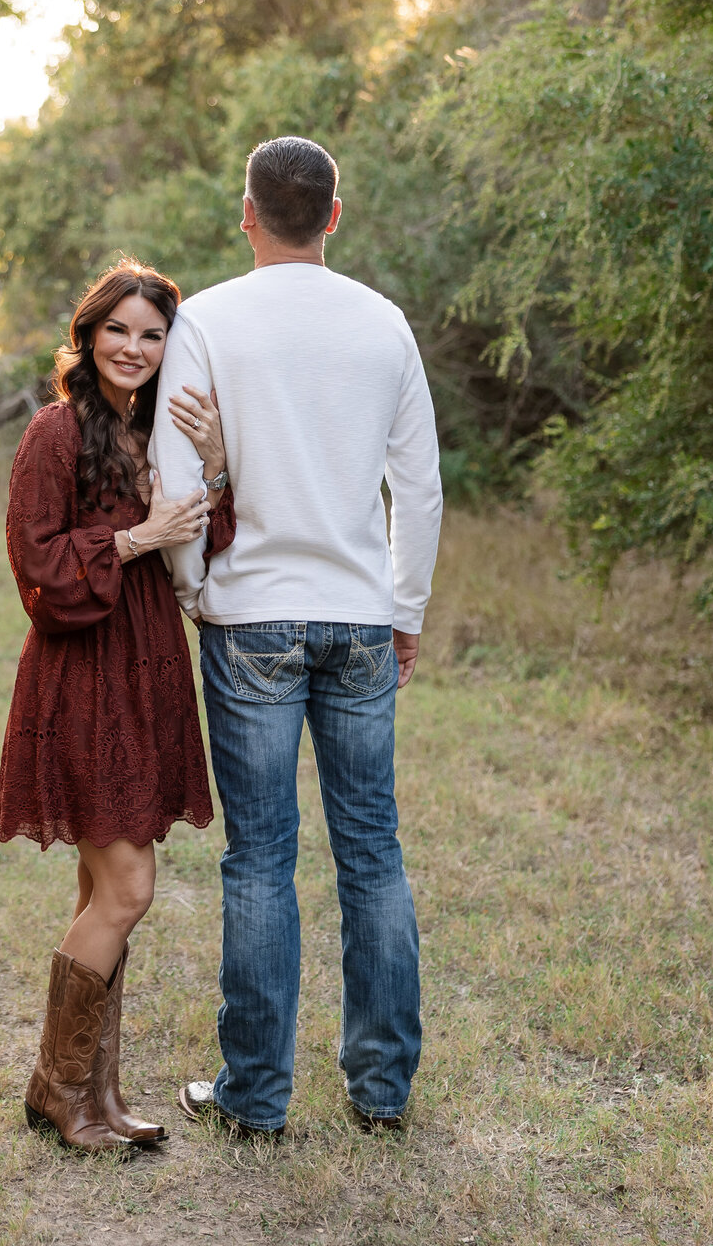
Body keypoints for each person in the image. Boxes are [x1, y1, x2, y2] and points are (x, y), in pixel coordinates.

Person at [150, 136, 444, 1138]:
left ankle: (255, 1100)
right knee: (373, 853)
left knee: (260, 859)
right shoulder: (384, 324)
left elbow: (176, 474)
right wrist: (404, 611)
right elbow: (420, 487)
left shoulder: (206, 320)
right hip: (360, 616)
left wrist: (194, 587)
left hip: (250, 617)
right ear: (334, 213)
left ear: (246, 213)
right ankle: (383, 1092)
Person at [0, 259, 233, 1155]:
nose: (134, 348)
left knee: (103, 888)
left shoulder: (157, 431)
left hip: (144, 670)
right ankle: (58, 1091)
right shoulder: (54, 432)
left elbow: (207, 544)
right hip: (82, 675)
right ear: (89, 336)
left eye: (152, 333)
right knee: (129, 888)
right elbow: (38, 569)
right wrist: (136, 537)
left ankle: (96, 1097)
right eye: (119, 330)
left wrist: (211, 463)